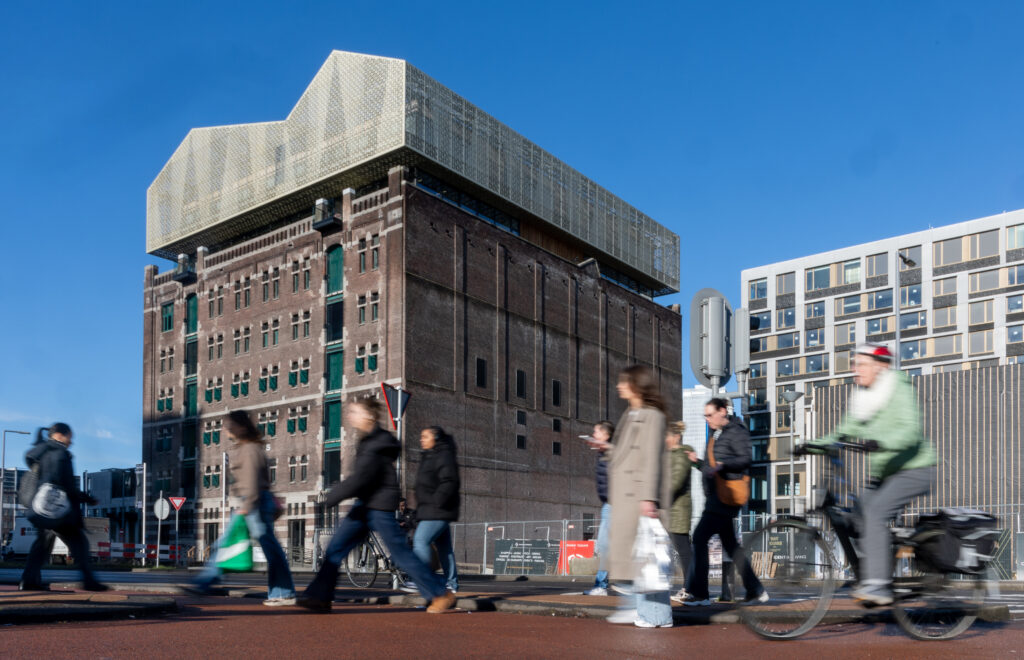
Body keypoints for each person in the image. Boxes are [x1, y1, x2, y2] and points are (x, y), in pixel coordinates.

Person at [803, 343, 936, 606]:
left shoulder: (898, 388)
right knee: (857, 518)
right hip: (885, 475)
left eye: (862, 364)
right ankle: (878, 566)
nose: (856, 369)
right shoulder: (863, 398)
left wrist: (882, 442)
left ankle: (879, 586)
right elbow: (842, 432)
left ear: (880, 366)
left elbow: (910, 430)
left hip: (914, 469)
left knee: (874, 514)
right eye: (854, 364)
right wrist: (811, 445)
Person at [298, 397, 456, 614]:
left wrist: (331, 497)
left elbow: (360, 477)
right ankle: (320, 596)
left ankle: (440, 593)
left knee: (400, 553)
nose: (350, 416)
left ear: (369, 416)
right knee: (335, 548)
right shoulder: (369, 441)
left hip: (379, 506)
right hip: (365, 504)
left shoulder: (376, 444)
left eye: (355, 412)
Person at [189, 411, 296, 605]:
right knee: (244, 545)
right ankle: (205, 582)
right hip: (254, 502)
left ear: (239, 427)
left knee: (261, 548)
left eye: (228, 425)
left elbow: (253, 482)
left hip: (254, 503)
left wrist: (246, 507)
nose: (225, 429)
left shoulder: (250, 449)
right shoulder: (248, 448)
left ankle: (283, 593)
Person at [603, 365, 672, 628]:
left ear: (636, 385)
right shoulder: (631, 414)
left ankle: (655, 615)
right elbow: (627, 454)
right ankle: (639, 609)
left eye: (624, 382)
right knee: (640, 558)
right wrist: (606, 448)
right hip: (628, 496)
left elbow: (651, 458)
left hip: (638, 496)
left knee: (647, 557)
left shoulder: (651, 416)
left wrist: (648, 498)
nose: (619, 386)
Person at [682, 398, 766, 607]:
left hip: (725, 496)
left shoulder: (736, 431)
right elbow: (711, 467)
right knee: (731, 545)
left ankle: (700, 594)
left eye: (710, 415)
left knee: (699, 537)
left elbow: (746, 458)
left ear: (722, 411)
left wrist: (723, 465)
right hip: (716, 495)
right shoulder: (715, 434)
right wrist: (697, 462)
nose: (707, 419)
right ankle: (755, 589)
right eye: (705, 416)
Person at [20, 423, 107, 592]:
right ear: (59, 435)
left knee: (41, 546)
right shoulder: (59, 453)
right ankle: (89, 581)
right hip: (58, 510)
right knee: (79, 543)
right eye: (69, 437)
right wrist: (86, 498)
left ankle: (28, 581)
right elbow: (65, 484)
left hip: (42, 507)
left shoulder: (42, 451)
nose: (71, 441)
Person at [409, 426, 460, 594]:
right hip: (431, 509)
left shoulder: (443, 455)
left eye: (425, 436)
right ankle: (451, 584)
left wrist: (437, 501)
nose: (421, 439)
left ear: (436, 438)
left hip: (437, 509)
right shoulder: (429, 456)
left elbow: (449, 480)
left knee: (420, 540)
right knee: (445, 548)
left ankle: (421, 579)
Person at [583, 420, 615, 597]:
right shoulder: (603, 453)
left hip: (614, 504)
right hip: (608, 504)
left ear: (606, 435)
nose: (593, 435)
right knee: (606, 545)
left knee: (604, 544)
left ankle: (602, 585)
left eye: (596, 432)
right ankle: (603, 584)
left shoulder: (612, 452)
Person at [664, 421, 695, 604]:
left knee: (684, 551)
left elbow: (675, 482)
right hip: (673, 510)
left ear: (676, 437)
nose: (665, 440)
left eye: (667, 436)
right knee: (682, 550)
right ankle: (690, 588)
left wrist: (658, 496)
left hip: (679, 509)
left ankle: (690, 588)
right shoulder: (672, 455)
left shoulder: (682, 454)